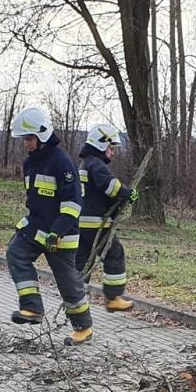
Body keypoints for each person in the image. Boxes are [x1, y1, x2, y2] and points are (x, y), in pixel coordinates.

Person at [4, 106, 93, 346]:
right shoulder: (30, 164)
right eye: (25, 139)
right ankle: (32, 309)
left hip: (61, 233)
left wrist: (58, 231)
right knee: (15, 253)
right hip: (36, 228)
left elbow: (73, 204)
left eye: (29, 139)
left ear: (42, 135)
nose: (26, 144)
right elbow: (34, 199)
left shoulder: (62, 163)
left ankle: (83, 327)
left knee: (68, 282)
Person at [75, 123, 138, 311]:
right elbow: (110, 187)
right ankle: (113, 298)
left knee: (82, 261)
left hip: (81, 224)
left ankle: (75, 297)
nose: (113, 153)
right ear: (102, 144)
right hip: (97, 225)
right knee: (114, 254)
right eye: (111, 148)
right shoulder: (96, 164)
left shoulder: (85, 164)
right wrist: (128, 193)